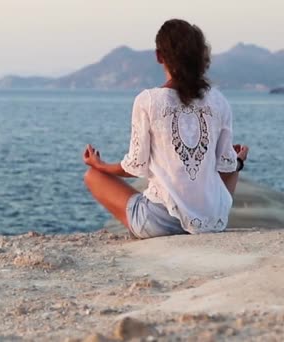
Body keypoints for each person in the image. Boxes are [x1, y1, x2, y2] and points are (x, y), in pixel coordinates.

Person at [82, 19, 249, 239]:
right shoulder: (219, 102)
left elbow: (134, 167)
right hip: (212, 222)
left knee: (93, 176)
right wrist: (237, 161)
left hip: (161, 224)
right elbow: (224, 167)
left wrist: (100, 165)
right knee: (232, 164)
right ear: (201, 58)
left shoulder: (149, 101)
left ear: (159, 56)